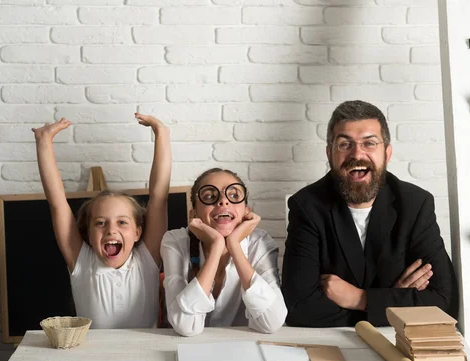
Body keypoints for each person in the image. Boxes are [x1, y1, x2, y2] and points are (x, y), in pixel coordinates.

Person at [282, 100, 459, 327]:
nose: (357, 154)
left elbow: (445, 303)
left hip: (400, 344)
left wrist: (360, 299)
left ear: (387, 152)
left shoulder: (415, 204)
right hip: (332, 345)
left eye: (369, 143)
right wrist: (392, 304)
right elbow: (298, 309)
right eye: (345, 144)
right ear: (329, 153)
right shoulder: (306, 206)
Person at [34, 113, 171, 328]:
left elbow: (159, 198)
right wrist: (43, 142)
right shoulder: (82, 263)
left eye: (122, 222)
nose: (110, 230)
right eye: (100, 223)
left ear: (137, 232)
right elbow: (57, 203)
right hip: (94, 359)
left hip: (142, 356)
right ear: (88, 233)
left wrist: (161, 134)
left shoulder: (146, 261)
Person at [160, 168, 287, 336]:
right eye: (210, 196)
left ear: (246, 211)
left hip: (242, 347)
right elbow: (186, 326)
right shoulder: (175, 242)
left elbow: (272, 322)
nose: (223, 201)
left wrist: (234, 245)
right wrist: (216, 247)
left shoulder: (260, 243)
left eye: (234, 196)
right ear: (194, 214)